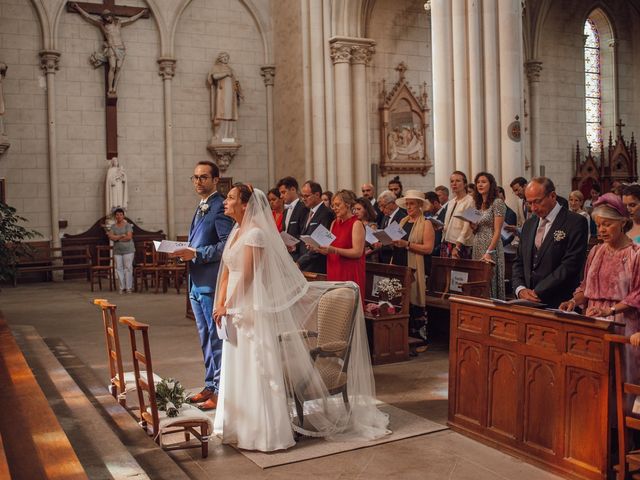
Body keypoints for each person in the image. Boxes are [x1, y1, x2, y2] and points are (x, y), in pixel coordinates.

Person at [212, 185, 389, 451]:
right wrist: (220, 303)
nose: (225, 201)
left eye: (230, 198)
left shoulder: (256, 234)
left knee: (254, 363)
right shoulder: (236, 232)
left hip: (249, 304)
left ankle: (262, 431)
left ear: (246, 205)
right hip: (232, 304)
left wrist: (230, 304)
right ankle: (237, 423)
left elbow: (247, 276)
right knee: (235, 363)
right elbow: (227, 271)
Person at [559, 193, 640, 412]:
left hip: (623, 324)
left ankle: (620, 438)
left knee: (620, 379)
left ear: (622, 222)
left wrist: (610, 310)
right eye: (598, 225)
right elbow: (586, 287)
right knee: (592, 379)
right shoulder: (595, 251)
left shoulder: (635, 254)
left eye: (607, 224)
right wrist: (573, 302)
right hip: (594, 322)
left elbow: (637, 295)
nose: (601, 230)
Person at [170, 161, 233, 411]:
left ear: (216, 180)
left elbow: (227, 245)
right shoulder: (200, 207)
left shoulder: (219, 208)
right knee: (204, 336)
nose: (198, 182)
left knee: (215, 337)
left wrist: (195, 253)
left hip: (210, 281)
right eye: (195, 177)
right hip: (195, 283)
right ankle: (210, 383)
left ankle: (220, 389)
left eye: (204, 177)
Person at [511, 177, 588, 308]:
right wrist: (520, 289)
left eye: (537, 202)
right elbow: (519, 261)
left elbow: (570, 264)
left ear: (552, 196)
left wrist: (537, 292)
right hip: (526, 302)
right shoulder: (529, 224)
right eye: (529, 203)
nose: (533, 208)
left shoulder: (575, 222)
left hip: (559, 302)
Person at [71, 3, 148, 96]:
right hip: (112, 48)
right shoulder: (103, 25)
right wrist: (79, 8)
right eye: (106, 17)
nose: (108, 18)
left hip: (121, 48)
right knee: (112, 67)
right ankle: (110, 88)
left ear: (111, 16)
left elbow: (130, 19)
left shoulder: (118, 23)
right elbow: (89, 17)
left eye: (109, 16)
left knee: (118, 68)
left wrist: (141, 13)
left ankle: (115, 87)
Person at [391, 190, 434, 340]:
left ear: (420, 205)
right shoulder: (402, 221)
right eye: (407, 204)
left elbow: (428, 248)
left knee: (415, 301)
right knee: (401, 301)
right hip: (400, 263)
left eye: (412, 204)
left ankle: (420, 338)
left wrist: (407, 244)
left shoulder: (426, 223)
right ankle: (403, 337)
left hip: (417, 267)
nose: (408, 207)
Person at [313, 190, 366, 302]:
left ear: (347, 205)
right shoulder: (334, 223)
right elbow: (328, 248)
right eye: (333, 205)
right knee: (335, 307)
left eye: (338, 205)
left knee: (346, 306)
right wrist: (317, 248)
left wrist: (334, 250)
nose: (334, 208)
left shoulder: (356, 224)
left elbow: (357, 252)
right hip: (334, 268)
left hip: (348, 271)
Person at [471, 173, 506, 299]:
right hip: (477, 244)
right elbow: (476, 230)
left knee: (490, 280)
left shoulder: (498, 203)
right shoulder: (478, 204)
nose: (480, 184)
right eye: (478, 182)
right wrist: (473, 226)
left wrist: (489, 251)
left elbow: (497, 231)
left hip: (491, 246)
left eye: (484, 181)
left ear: (491, 184)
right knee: (479, 280)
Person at [297, 181, 335, 274]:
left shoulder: (326, 213)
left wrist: (300, 262)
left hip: (317, 266)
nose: (304, 199)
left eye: (306, 196)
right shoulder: (308, 212)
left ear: (317, 195)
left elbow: (322, 244)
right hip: (306, 265)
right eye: (302, 196)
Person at [207, 52, 242, 142]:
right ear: (220, 58)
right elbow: (214, 76)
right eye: (224, 57)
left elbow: (236, 82)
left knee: (230, 114)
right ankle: (219, 135)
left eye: (227, 57)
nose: (226, 58)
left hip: (231, 95)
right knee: (221, 113)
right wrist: (226, 74)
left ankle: (230, 135)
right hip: (222, 94)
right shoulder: (216, 68)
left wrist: (239, 92)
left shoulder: (231, 69)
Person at [441, 171, 475, 259]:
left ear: (465, 184)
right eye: (452, 181)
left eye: (458, 181)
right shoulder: (451, 202)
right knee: (446, 271)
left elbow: (467, 227)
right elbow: (448, 223)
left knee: (460, 272)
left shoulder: (471, 201)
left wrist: (458, 246)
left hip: (461, 245)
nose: (454, 184)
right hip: (447, 242)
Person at [277, 176, 308, 260]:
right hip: (287, 255)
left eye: (283, 192)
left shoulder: (303, 208)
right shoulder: (286, 210)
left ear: (293, 189)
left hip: (298, 255)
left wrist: (295, 245)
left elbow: (304, 233)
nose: (281, 196)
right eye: (280, 193)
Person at [106, 208, 134, 294]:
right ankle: (122, 287)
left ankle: (128, 287)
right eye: (117, 215)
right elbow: (111, 237)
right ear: (115, 216)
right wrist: (121, 236)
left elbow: (129, 237)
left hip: (128, 250)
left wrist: (116, 238)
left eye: (120, 214)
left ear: (123, 215)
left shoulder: (127, 225)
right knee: (119, 269)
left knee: (128, 268)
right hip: (117, 251)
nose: (119, 216)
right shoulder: (113, 226)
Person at [376, 190, 407, 263]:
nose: (381, 209)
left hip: (397, 258)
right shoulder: (385, 216)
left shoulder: (403, 217)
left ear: (393, 203)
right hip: (384, 258)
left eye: (384, 206)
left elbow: (400, 240)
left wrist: (382, 245)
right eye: (380, 206)